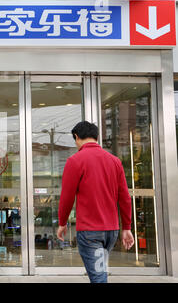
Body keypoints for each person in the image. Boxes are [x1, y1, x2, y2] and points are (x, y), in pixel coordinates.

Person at [56, 121, 135, 283]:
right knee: (100, 273)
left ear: (76, 137)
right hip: (111, 231)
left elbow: (67, 197)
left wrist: (62, 222)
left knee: (98, 277)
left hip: (90, 231)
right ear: (97, 137)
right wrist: (126, 227)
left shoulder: (75, 161)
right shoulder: (115, 161)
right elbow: (125, 197)